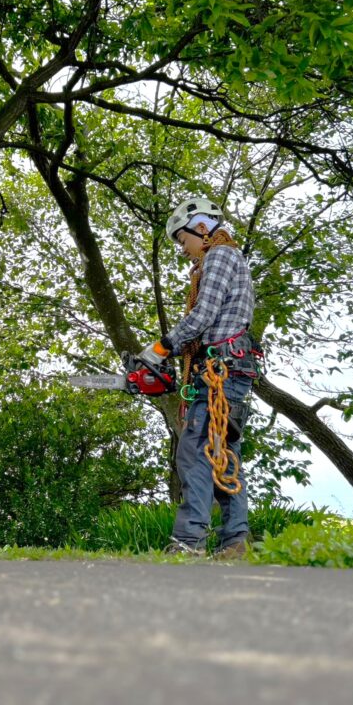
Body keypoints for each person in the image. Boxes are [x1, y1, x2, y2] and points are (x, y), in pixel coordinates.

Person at [138, 197, 260, 559]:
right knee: (223, 456)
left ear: (202, 228)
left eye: (183, 240)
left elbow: (203, 314)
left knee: (196, 454)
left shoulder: (219, 256)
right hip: (229, 368)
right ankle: (235, 541)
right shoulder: (229, 258)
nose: (183, 249)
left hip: (221, 371)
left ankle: (188, 542)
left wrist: (161, 348)